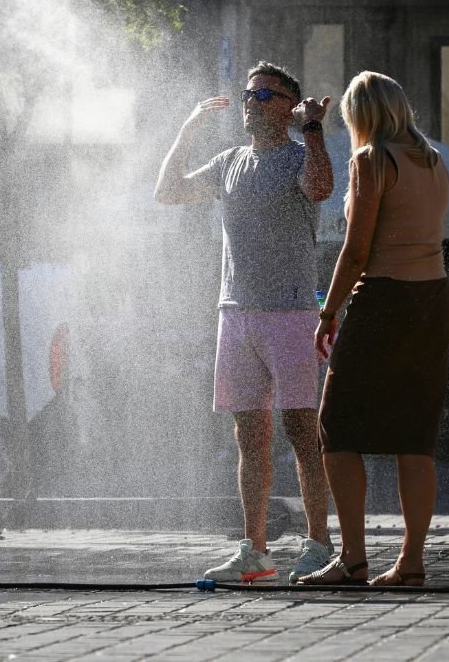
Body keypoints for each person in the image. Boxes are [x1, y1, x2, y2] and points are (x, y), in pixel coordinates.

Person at [154, 60, 335, 583]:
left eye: (263, 96)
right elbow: (167, 191)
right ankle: (253, 551)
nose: (250, 104)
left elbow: (322, 189)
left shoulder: (301, 154)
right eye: (247, 94)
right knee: (248, 437)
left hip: (291, 312)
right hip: (235, 312)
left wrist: (314, 127)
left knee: (302, 430)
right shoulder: (229, 160)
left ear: (287, 106)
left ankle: (319, 544)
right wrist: (188, 128)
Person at [299, 72, 449, 588]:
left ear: (360, 114)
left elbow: (358, 248)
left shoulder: (371, 160)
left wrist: (328, 312)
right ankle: (411, 561)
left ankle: (354, 559)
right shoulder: (433, 161)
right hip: (433, 300)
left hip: (383, 296)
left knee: (336, 426)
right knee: (416, 434)